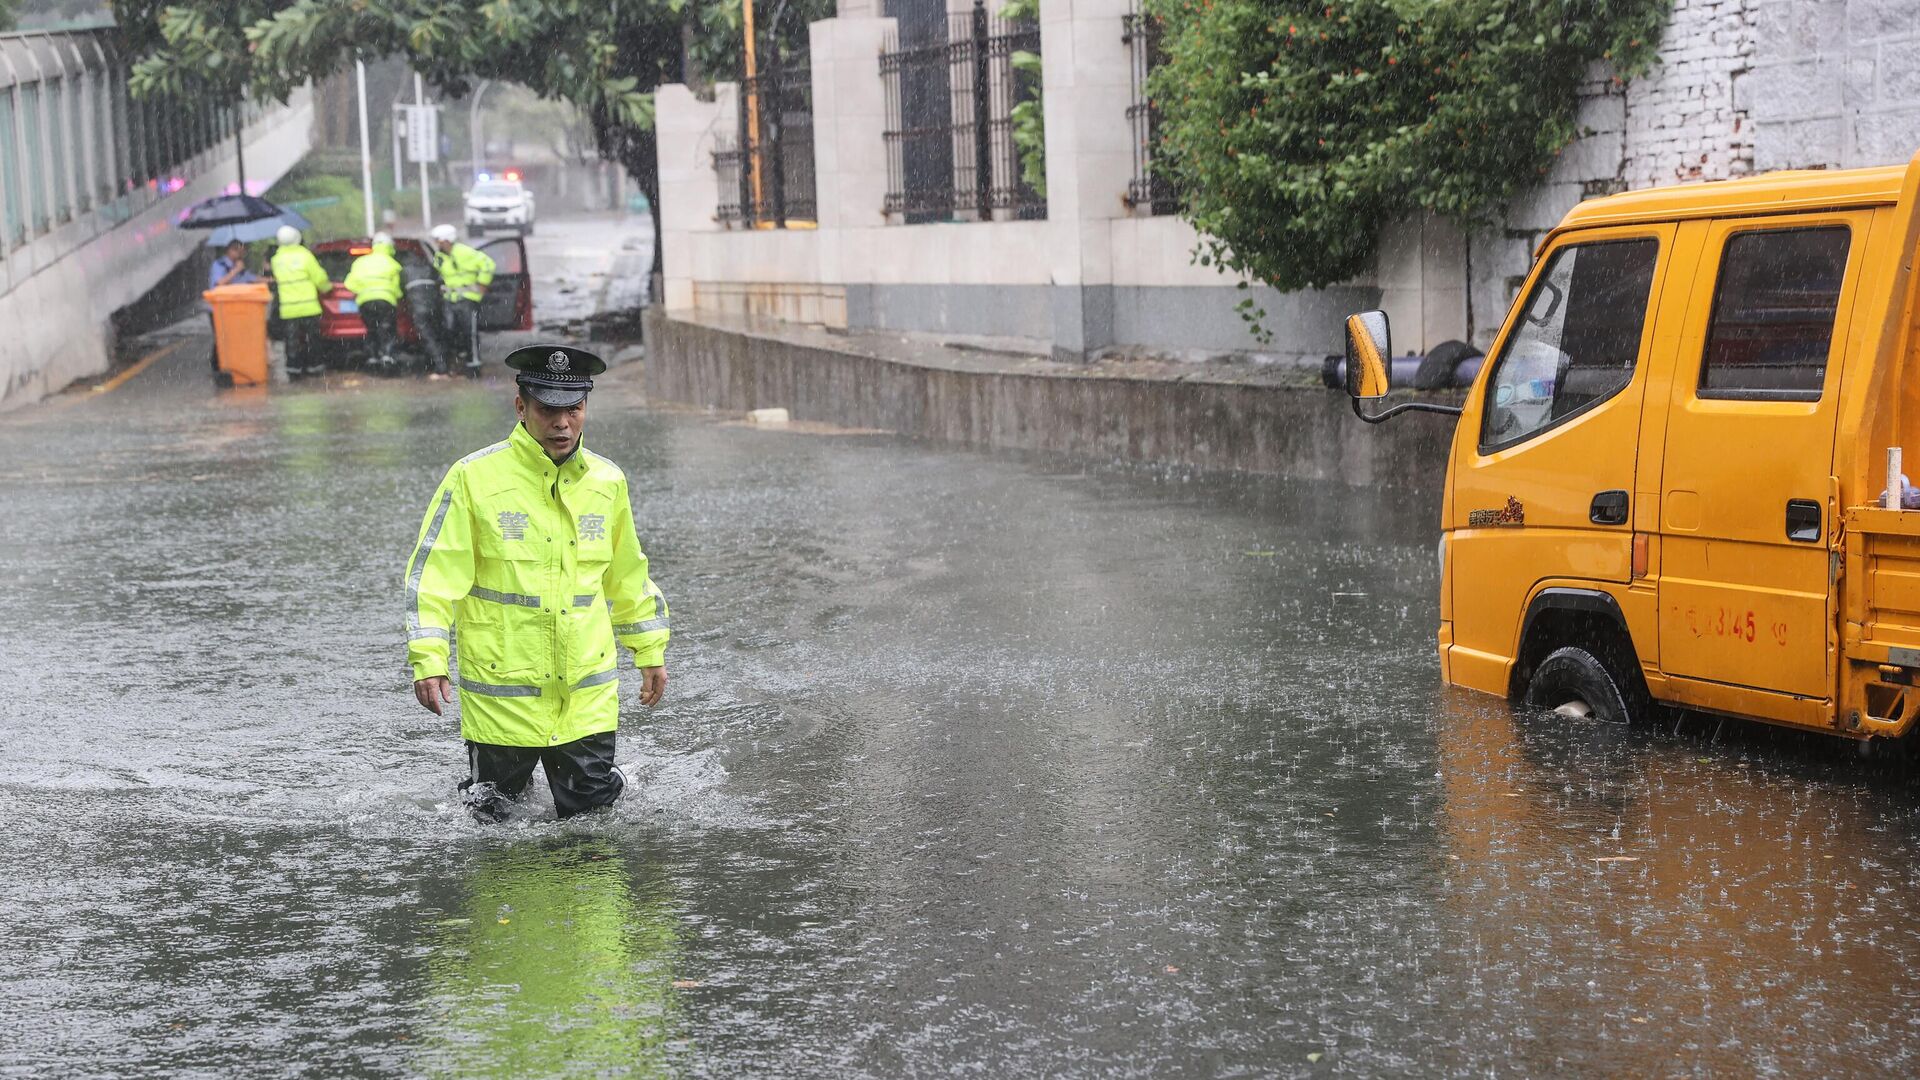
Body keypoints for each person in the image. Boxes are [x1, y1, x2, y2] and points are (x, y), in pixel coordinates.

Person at [403, 344, 670, 823]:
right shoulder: (473, 478)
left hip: (585, 698)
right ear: (521, 406)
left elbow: (628, 574)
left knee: (595, 830)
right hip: (502, 699)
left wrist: (649, 651)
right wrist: (429, 660)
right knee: (494, 827)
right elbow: (433, 577)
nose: (563, 423)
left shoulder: (608, 482)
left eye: (575, 408)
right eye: (549, 409)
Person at [430, 224, 496, 374]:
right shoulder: (439, 256)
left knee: (470, 332)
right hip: (449, 299)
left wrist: (482, 284)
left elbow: (488, 264)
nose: (436, 243)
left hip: (467, 298)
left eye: (437, 240)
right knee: (449, 330)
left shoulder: (464, 252)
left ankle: (474, 364)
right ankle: (459, 358)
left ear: (445, 240)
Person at [270, 225, 332, 380]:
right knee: (312, 340)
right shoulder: (305, 256)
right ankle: (314, 367)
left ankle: (293, 369)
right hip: (309, 307)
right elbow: (319, 278)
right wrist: (327, 289)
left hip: (289, 310)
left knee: (292, 341)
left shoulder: (276, 260)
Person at [344, 232, 404, 374]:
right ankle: (387, 358)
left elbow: (349, 284)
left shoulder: (360, 262)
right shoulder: (393, 264)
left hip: (365, 302)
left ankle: (372, 359)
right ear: (390, 246)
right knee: (387, 330)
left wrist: (365, 291)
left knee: (371, 330)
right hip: (386, 301)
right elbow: (397, 289)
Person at [204, 239, 258, 373]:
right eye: (238, 250)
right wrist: (235, 271)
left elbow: (250, 278)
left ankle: (235, 366)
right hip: (218, 308)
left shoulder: (239, 265)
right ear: (229, 250)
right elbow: (219, 284)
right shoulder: (219, 265)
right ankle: (217, 368)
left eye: (243, 250)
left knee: (235, 337)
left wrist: (272, 280)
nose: (241, 253)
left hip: (235, 308)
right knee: (221, 338)